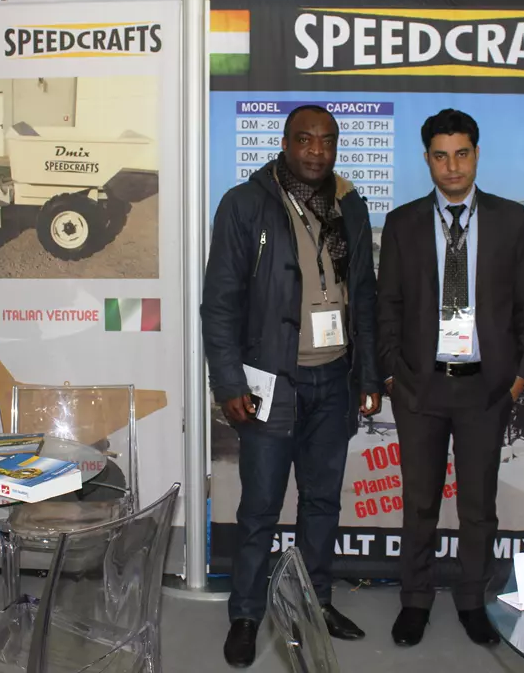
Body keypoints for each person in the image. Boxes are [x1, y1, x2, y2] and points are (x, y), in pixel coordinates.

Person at [202, 105, 383, 668]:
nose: (316, 151)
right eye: (305, 140)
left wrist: (369, 375)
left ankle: (315, 603)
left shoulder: (351, 206)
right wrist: (228, 380)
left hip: (335, 379)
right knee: (259, 506)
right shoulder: (245, 204)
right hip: (270, 380)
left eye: (327, 141)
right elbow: (220, 303)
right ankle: (246, 614)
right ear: (284, 143)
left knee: (322, 502)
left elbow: (365, 296)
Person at [377, 109, 524, 647]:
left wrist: (518, 380)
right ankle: (415, 600)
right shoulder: (402, 223)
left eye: (462, 154)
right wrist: (394, 376)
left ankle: (473, 601)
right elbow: (387, 307)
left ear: (476, 154)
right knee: (419, 503)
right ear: (427, 159)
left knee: (477, 508)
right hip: (420, 388)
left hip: (485, 389)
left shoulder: (510, 219)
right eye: (441, 156)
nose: (452, 166)